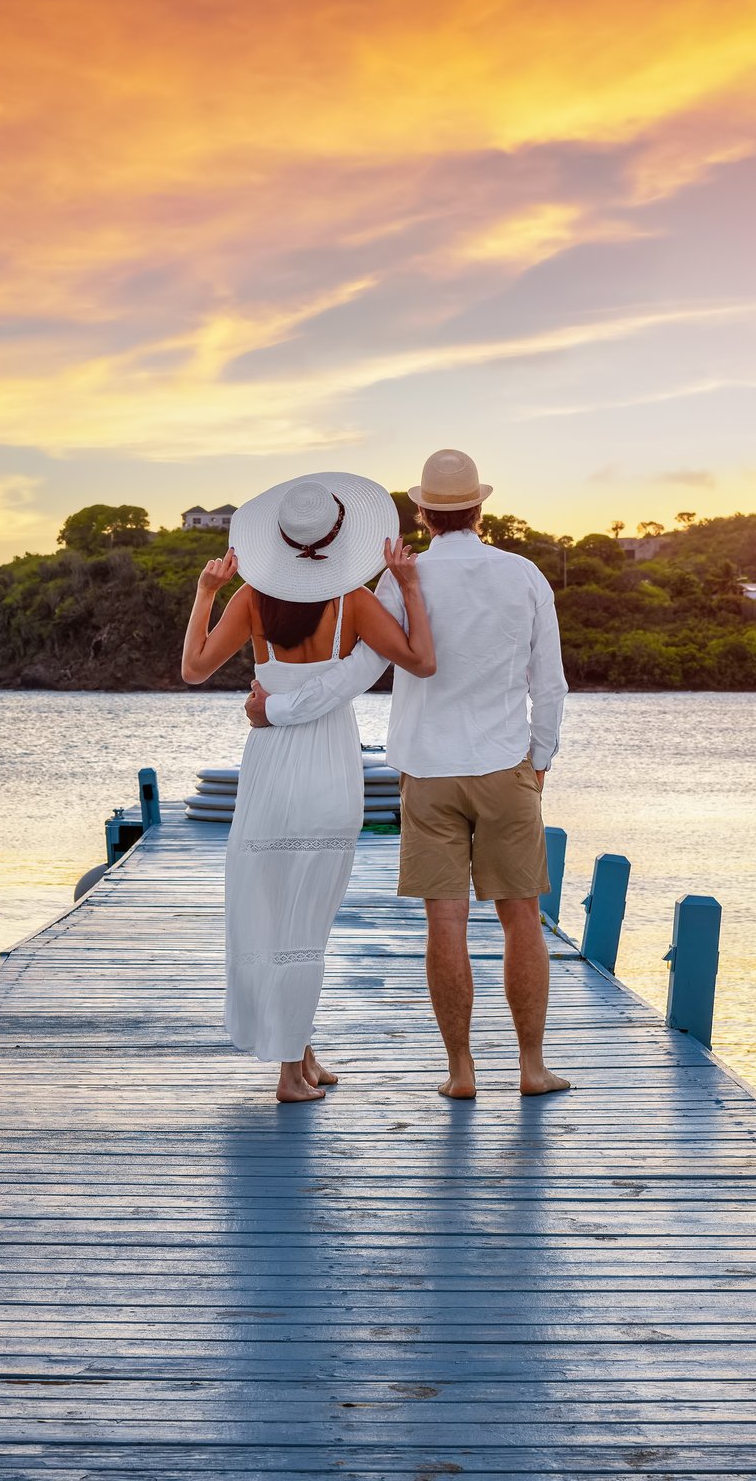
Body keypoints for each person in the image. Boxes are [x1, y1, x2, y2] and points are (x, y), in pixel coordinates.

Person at [247, 449, 570, 1099]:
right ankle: (532, 1069)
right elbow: (551, 684)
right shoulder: (526, 575)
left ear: (422, 514)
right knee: (523, 917)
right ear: (482, 508)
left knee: (444, 922)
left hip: (427, 773)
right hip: (507, 766)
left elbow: (357, 672)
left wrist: (278, 709)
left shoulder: (400, 582)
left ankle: (461, 1072)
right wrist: (539, 760)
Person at [181, 472, 436, 1103]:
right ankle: (289, 1075)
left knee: (271, 915)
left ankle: (301, 1052)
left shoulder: (250, 599)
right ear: (338, 537)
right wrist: (408, 584)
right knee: (308, 925)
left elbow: (192, 670)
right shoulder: (354, 600)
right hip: (328, 766)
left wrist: (205, 592)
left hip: (269, 766)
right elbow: (422, 661)